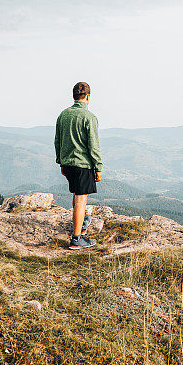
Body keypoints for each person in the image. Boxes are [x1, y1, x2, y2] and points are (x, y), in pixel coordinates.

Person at [54, 81, 103, 250]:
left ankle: (80, 225)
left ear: (74, 96)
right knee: (81, 199)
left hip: (68, 163)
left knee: (76, 194)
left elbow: (57, 141)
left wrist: (61, 161)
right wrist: (98, 166)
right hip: (83, 164)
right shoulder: (89, 117)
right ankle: (76, 239)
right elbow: (93, 145)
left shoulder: (63, 115)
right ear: (88, 97)